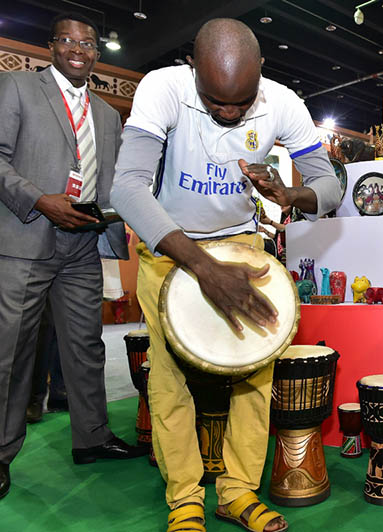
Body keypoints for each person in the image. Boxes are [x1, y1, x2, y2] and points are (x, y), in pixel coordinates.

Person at [110, 18, 341, 532]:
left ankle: (236, 492)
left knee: (256, 374)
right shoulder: (162, 88)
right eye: (216, 102)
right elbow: (127, 190)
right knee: (168, 379)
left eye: (241, 102)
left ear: (262, 72)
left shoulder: (283, 102)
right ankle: (185, 498)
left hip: (240, 244)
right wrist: (201, 266)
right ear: (192, 69)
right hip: (171, 245)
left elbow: (330, 188)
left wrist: (291, 193)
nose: (229, 114)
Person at [0, 12, 146, 500]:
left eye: (88, 43)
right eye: (68, 40)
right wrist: (39, 199)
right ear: (52, 46)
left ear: (96, 54)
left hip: (83, 244)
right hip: (25, 240)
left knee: (86, 348)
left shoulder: (106, 115)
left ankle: (93, 437)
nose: (79, 48)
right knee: (12, 352)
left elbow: (114, 185)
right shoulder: (18, 87)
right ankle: (1, 454)